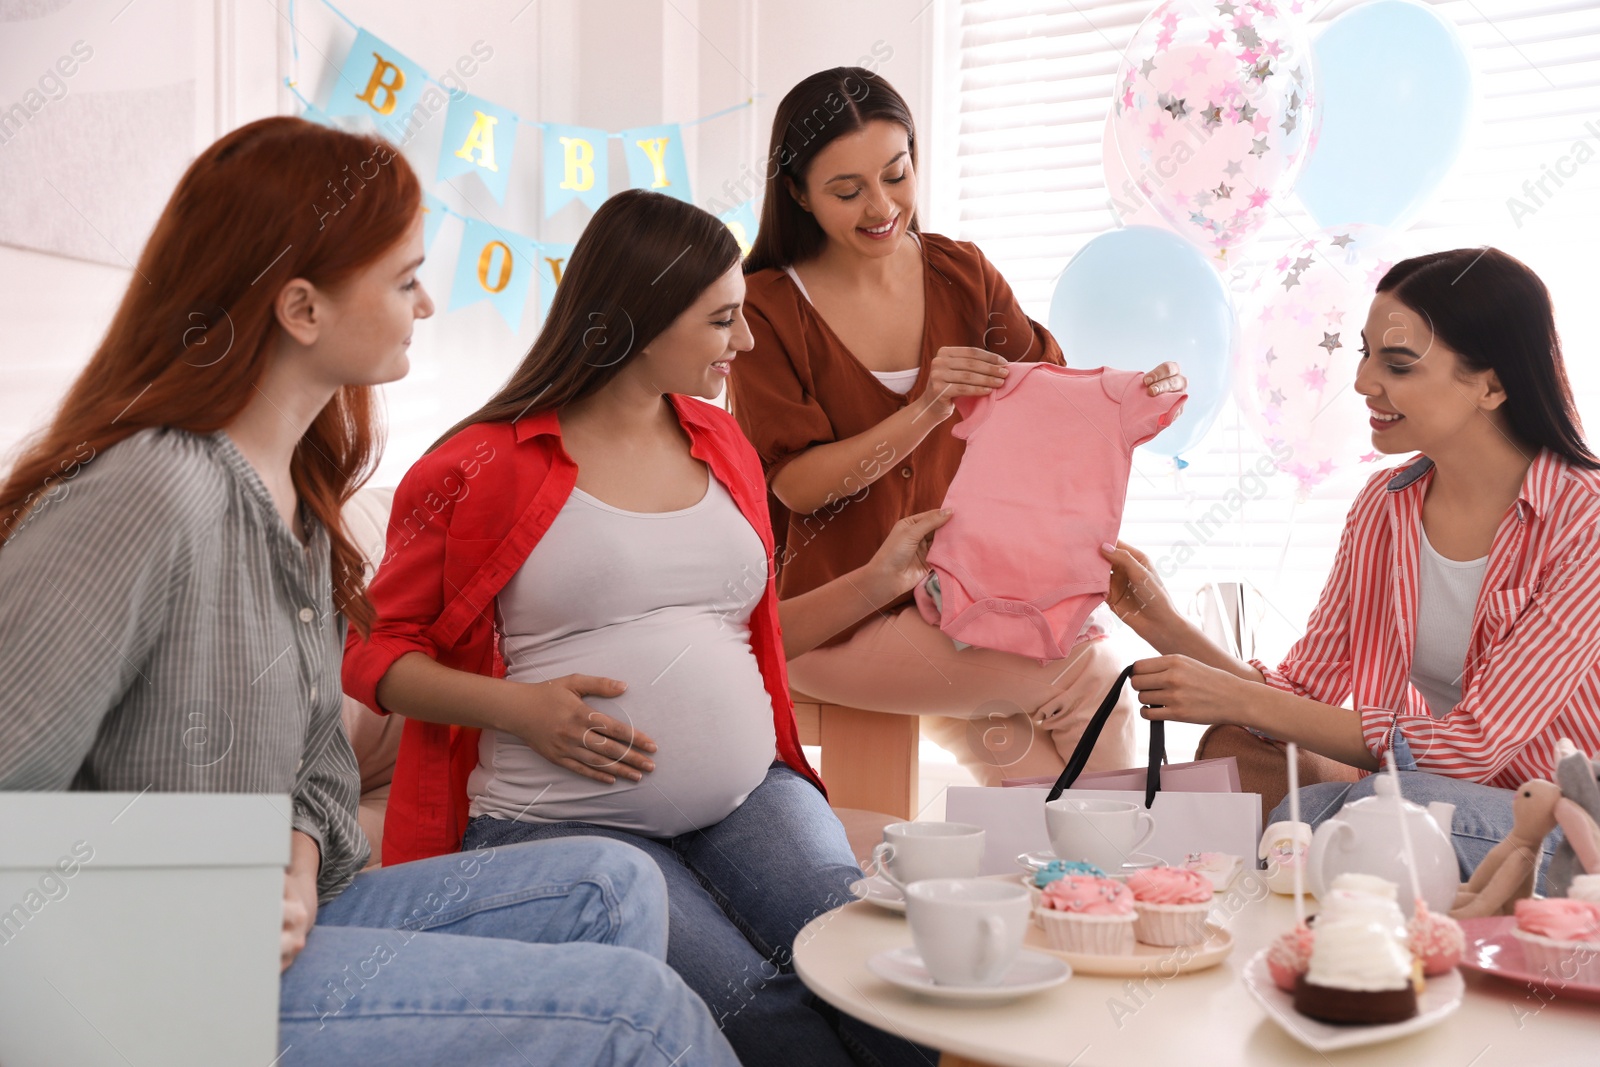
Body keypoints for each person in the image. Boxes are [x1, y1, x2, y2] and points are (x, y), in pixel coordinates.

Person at [0, 117, 737, 1067]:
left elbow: (316, 772)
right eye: (403, 279)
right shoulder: (148, 493)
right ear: (301, 309)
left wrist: (296, 871)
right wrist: (178, 906)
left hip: (262, 936)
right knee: (636, 1014)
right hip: (144, 984)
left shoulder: (300, 504)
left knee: (615, 883)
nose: (426, 304)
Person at [345, 188, 935, 1067]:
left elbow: (749, 634)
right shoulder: (477, 465)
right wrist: (521, 708)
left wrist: (880, 579)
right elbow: (377, 655)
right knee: (761, 1009)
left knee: (876, 966)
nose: (744, 342)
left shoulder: (718, 440)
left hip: (747, 794)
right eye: (723, 320)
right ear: (640, 322)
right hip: (569, 824)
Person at [728, 67, 1188, 785]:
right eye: (847, 192)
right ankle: (1112, 881)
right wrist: (924, 411)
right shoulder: (763, 308)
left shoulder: (959, 272)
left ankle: (1079, 890)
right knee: (1089, 674)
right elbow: (799, 488)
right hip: (832, 619)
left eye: (896, 174)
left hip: (956, 606)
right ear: (796, 193)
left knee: (1032, 781)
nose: (881, 206)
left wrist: (1130, 396)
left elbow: (1045, 393)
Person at [1103, 248, 1600, 882]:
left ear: (1492, 384)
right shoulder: (1385, 507)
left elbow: (1473, 748)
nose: (1364, 383)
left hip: (1573, 821)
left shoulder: (1584, 520)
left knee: (1377, 812)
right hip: (1449, 802)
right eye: (1364, 354)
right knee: (1306, 808)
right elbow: (1301, 694)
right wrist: (1159, 622)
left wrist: (1236, 699)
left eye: (1397, 364)